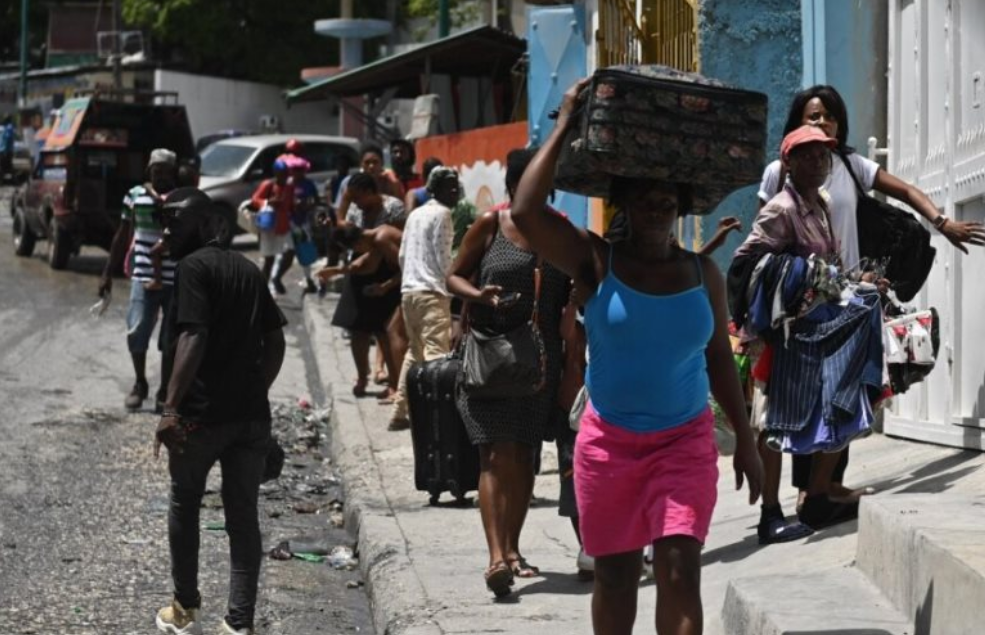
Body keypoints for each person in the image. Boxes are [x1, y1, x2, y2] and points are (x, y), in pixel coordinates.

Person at [509, 79, 763, 634]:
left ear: (680, 204)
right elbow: (526, 212)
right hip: (609, 447)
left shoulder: (705, 274)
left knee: (679, 571)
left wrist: (746, 441)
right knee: (617, 578)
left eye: (667, 195)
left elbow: (721, 359)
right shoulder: (597, 262)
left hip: (684, 443)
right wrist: (566, 120)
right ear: (623, 201)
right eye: (645, 193)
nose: (657, 202)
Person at [757, 86, 985, 522]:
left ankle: (822, 491)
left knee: (849, 393)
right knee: (800, 397)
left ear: (840, 125)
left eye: (828, 117)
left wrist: (942, 221)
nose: (820, 123)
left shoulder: (849, 165)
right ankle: (807, 496)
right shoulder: (778, 173)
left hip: (849, 299)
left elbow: (904, 190)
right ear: (795, 124)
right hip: (799, 304)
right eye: (812, 115)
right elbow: (764, 235)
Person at [153, 188, 286, 635]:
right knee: (243, 515)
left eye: (177, 220)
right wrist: (254, 391)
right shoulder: (248, 270)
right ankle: (239, 622)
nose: (167, 229)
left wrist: (170, 408)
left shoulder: (192, 268)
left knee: (184, 503)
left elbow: (193, 336)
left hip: (200, 417)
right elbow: (276, 342)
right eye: (164, 220)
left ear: (209, 225)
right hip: (251, 418)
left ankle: (185, 610)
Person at [447, 148, 571, 597]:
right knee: (494, 455)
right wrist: (479, 297)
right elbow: (454, 277)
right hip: (491, 360)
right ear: (516, 185)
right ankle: (496, 557)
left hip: (540, 364)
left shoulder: (561, 233)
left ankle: (514, 549)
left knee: (523, 455)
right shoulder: (491, 225)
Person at [99, 149, 180, 412]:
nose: (162, 175)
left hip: (175, 278)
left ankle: (165, 391)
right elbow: (122, 236)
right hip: (142, 275)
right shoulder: (134, 196)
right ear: (149, 171)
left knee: (171, 339)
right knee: (136, 332)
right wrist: (107, 272)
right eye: (157, 170)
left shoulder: (181, 199)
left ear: (174, 173)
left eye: (167, 171)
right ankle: (140, 383)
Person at [386, 167, 460, 431]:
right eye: (450, 186)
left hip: (409, 293)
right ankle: (434, 420)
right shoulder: (443, 214)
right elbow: (443, 259)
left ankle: (399, 413)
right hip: (431, 294)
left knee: (414, 353)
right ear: (436, 189)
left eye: (456, 185)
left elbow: (403, 256)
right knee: (435, 358)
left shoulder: (415, 214)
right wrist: (454, 287)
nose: (456, 190)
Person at [331, 172, 405, 397]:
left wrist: (386, 282)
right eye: (351, 198)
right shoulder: (354, 208)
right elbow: (342, 225)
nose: (355, 203)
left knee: (386, 331)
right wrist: (345, 199)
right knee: (357, 328)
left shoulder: (394, 208)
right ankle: (362, 377)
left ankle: (394, 383)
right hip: (360, 266)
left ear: (371, 193)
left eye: (358, 197)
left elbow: (395, 244)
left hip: (386, 267)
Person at [249, 158, 294, 295]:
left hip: (284, 225)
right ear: (276, 172)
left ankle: (277, 277)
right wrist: (268, 202)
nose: (284, 175)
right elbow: (254, 200)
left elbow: (290, 205)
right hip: (269, 226)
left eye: (286, 173)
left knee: (290, 253)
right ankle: (262, 290)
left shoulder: (289, 187)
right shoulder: (268, 185)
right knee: (269, 260)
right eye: (281, 173)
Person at [1, 115, 15, 182]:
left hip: (7, 150)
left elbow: (7, 139)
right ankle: (10, 178)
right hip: (8, 149)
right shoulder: (8, 127)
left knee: (6, 164)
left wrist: (5, 150)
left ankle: (12, 179)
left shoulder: (9, 127)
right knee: (7, 164)